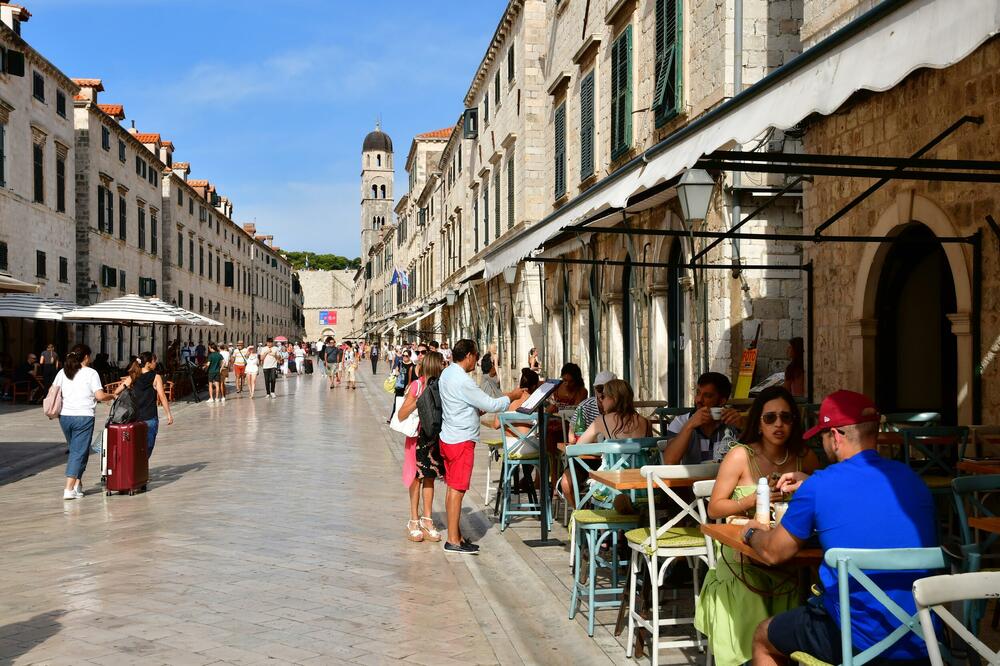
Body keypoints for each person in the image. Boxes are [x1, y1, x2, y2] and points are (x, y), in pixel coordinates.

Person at [745, 390, 938, 666]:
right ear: (876, 432)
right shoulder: (913, 480)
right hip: (922, 638)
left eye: (823, 437)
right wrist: (811, 483)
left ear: (835, 437)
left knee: (764, 637)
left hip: (857, 640)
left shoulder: (820, 485)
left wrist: (752, 532)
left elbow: (774, 553)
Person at [694, 386, 820, 666]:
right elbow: (715, 507)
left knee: (811, 584)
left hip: (788, 555)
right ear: (758, 423)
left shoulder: (804, 458)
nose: (779, 424)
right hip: (742, 557)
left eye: (786, 418)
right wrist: (751, 499)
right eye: (770, 417)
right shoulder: (741, 456)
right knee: (750, 585)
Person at [439, 339, 524, 554]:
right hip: (461, 439)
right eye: (476, 356)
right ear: (468, 355)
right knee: (458, 490)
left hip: (448, 435)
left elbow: (460, 404)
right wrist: (512, 396)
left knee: (452, 488)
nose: (477, 361)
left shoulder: (447, 374)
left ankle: (455, 534)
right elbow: (492, 404)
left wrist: (475, 411)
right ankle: (453, 540)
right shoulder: (463, 380)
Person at [52, 344, 114, 499]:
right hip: (84, 416)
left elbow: (52, 391)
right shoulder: (91, 373)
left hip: (65, 417)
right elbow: (99, 396)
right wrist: (111, 396)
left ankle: (78, 484)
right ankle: (68, 489)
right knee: (78, 452)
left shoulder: (63, 372)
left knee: (79, 450)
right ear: (86, 356)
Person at [398, 351, 446, 543]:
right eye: (441, 364)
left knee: (430, 478)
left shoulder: (441, 386)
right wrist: (419, 402)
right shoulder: (417, 386)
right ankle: (413, 520)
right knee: (416, 479)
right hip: (417, 438)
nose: (444, 367)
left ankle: (427, 519)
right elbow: (401, 414)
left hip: (433, 437)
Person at [661, 372, 743, 464]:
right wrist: (690, 425)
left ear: (721, 401)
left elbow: (752, 460)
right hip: (692, 478)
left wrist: (742, 429)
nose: (699, 400)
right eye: (698, 393)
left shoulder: (732, 422)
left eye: (707, 396)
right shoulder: (681, 422)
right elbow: (668, 462)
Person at [114, 352, 174, 458]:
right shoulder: (156, 377)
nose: (156, 363)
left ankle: (137, 466)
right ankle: (142, 465)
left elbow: (117, 391)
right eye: (154, 361)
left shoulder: (133, 376)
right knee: (148, 446)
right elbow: (162, 396)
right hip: (150, 416)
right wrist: (168, 414)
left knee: (136, 444)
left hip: (134, 417)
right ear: (148, 363)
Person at [388, 349, 416, 423]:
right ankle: (392, 418)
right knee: (396, 402)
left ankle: (403, 419)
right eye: (403, 355)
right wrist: (396, 372)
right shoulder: (400, 363)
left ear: (410, 356)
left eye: (406, 356)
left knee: (405, 403)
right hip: (399, 386)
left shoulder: (412, 366)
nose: (404, 357)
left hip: (407, 387)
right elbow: (395, 370)